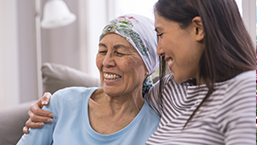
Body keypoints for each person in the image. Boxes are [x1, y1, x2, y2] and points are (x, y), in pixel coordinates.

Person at [23, 0, 256, 144]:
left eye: (161, 34)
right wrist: (47, 105)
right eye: (102, 50)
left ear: (197, 29)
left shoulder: (244, 88)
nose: (159, 49)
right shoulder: (169, 92)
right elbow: (126, 93)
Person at [17, 14, 160, 145]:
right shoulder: (62, 102)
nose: (106, 62)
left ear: (148, 65)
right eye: (102, 51)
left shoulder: (156, 128)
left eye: (120, 53)